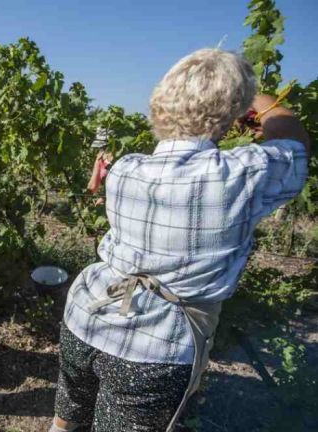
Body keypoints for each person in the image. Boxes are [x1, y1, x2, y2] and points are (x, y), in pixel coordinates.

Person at [50, 48, 310, 432]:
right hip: (153, 348)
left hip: (85, 317)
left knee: (65, 420)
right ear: (233, 112)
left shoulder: (126, 168)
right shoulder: (243, 173)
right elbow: (294, 147)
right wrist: (262, 103)